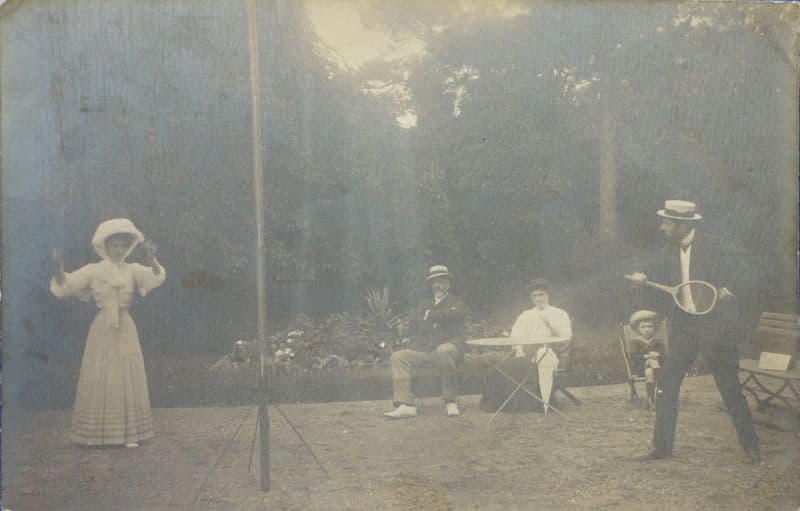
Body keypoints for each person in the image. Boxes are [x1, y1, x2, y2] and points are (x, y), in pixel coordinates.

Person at [629, 200, 760, 463]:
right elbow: (652, 270)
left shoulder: (716, 246)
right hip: (684, 328)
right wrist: (641, 277)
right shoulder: (666, 249)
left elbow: (748, 274)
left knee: (729, 388)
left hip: (715, 328)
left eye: (667, 222)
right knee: (667, 383)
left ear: (682, 224)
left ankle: (752, 448)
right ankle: (662, 449)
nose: (662, 226)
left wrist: (728, 291)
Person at [50, 218, 166, 447]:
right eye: (115, 245)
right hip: (103, 326)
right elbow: (66, 284)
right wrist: (58, 265)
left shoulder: (132, 270)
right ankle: (98, 434)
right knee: (102, 373)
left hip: (125, 325)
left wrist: (152, 258)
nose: (120, 250)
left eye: (124, 245)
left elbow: (155, 277)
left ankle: (129, 433)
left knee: (125, 372)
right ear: (106, 246)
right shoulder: (94, 270)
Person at [384, 265, 468, 419]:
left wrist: (430, 316)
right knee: (398, 356)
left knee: (443, 350)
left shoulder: (458, 302)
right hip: (427, 350)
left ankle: (450, 401)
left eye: (441, 281)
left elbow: (456, 315)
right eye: (434, 282)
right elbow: (414, 324)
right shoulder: (423, 304)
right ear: (430, 285)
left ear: (448, 283)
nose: (437, 285)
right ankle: (405, 405)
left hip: (451, 350)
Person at [478, 279, 572, 413]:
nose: (538, 298)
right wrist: (519, 348)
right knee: (501, 368)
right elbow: (516, 336)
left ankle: (534, 403)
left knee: (532, 366)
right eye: (535, 296)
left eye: (541, 294)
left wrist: (549, 324)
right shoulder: (526, 315)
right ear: (531, 298)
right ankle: (506, 405)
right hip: (527, 354)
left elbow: (566, 337)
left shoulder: (559, 313)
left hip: (549, 353)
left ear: (548, 295)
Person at [628, 310, 666, 408]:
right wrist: (647, 356)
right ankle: (662, 382)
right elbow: (633, 357)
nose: (646, 329)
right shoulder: (635, 342)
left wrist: (657, 354)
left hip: (653, 369)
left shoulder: (657, 342)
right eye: (643, 327)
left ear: (654, 328)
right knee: (651, 360)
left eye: (649, 326)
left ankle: (651, 400)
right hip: (640, 369)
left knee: (649, 372)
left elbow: (665, 357)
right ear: (638, 329)